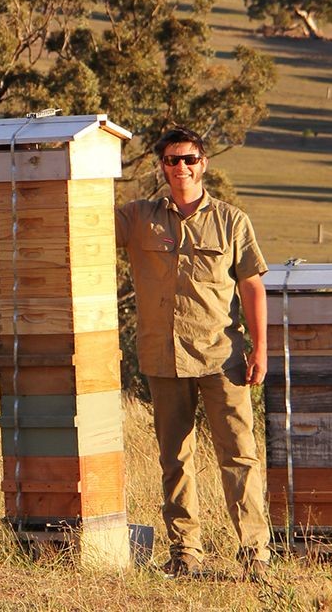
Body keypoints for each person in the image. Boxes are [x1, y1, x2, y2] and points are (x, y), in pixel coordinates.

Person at [115, 126, 271, 582]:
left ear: (203, 164)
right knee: (175, 458)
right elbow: (86, 221)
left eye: (188, 159)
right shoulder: (138, 217)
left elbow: (252, 286)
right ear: (160, 166)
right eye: (170, 160)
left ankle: (255, 554)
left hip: (222, 357)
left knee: (239, 455)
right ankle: (185, 553)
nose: (180, 167)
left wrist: (261, 348)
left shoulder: (231, 221)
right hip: (162, 358)